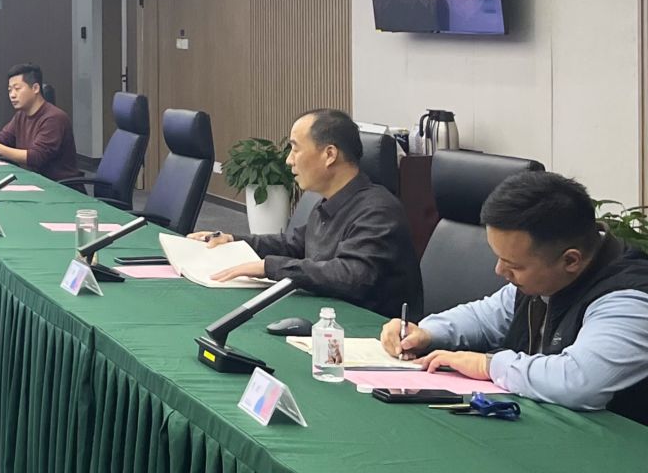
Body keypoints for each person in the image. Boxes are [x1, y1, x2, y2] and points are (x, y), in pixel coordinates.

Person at [378, 170, 648, 420]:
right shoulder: (545, 278)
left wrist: (488, 366)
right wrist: (426, 333)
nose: (499, 270)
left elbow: (578, 382)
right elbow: (485, 317)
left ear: (570, 261)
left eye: (514, 265)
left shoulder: (629, 299)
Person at [192, 108, 422, 316]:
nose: (289, 160)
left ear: (329, 155)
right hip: (329, 317)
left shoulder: (378, 210)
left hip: (370, 333)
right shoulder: (331, 202)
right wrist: (232, 240)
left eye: (295, 149)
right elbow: (293, 244)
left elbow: (350, 275)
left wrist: (269, 267)